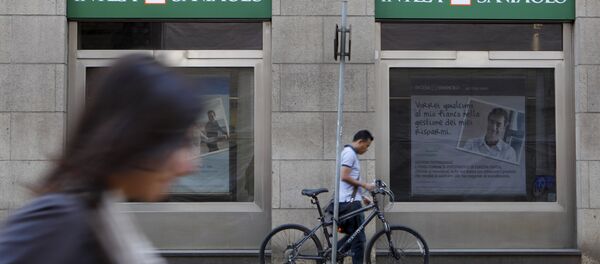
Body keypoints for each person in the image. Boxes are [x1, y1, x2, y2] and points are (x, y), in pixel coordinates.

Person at [0, 55, 203, 264]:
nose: (189, 166)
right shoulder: (60, 220)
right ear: (136, 138)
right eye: (179, 142)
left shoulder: (99, 212)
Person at [336, 130, 375, 264]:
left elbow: (350, 181)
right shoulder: (349, 154)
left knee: (354, 237)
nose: (367, 149)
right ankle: (334, 254)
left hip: (351, 201)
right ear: (360, 142)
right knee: (358, 240)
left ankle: (334, 253)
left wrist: (362, 195)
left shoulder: (351, 154)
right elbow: (345, 176)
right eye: (367, 145)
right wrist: (365, 185)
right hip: (350, 204)